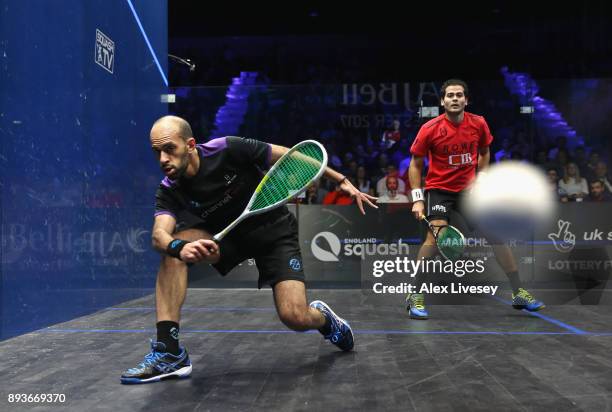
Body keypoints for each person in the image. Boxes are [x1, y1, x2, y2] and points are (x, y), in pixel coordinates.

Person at [121, 116, 377, 384]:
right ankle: (169, 354)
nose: (162, 159)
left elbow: (294, 157)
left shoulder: (228, 148)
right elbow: (158, 235)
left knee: (295, 316)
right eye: (157, 152)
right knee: (171, 254)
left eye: (169, 149)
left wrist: (340, 180)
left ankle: (325, 320)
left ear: (190, 145)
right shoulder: (169, 189)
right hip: (227, 239)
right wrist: (181, 247)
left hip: (273, 232)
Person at [405, 79, 545, 319]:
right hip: (439, 190)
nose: (455, 98)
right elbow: (416, 164)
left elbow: (484, 151)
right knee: (435, 234)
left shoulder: (478, 124)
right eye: (450, 95)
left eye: (459, 95)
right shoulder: (430, 128)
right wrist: (418, 198)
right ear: (442, 101)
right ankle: (415, 294)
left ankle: (519, 292)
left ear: (466, 100)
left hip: (469, 191)